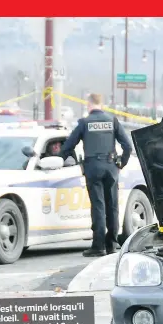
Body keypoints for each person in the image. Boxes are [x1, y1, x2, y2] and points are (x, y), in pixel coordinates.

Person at [60, 93, 133, 257]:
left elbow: (68, 145)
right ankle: (112, 245)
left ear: (88, 104)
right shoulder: (112, 121)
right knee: (112, 205)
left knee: (98, 206)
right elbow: (127, 146)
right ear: (102, 104)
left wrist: (60, 159)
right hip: (111, 166)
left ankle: (98, 245)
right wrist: (122, 162)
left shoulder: (84, 123)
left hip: (93, 168)